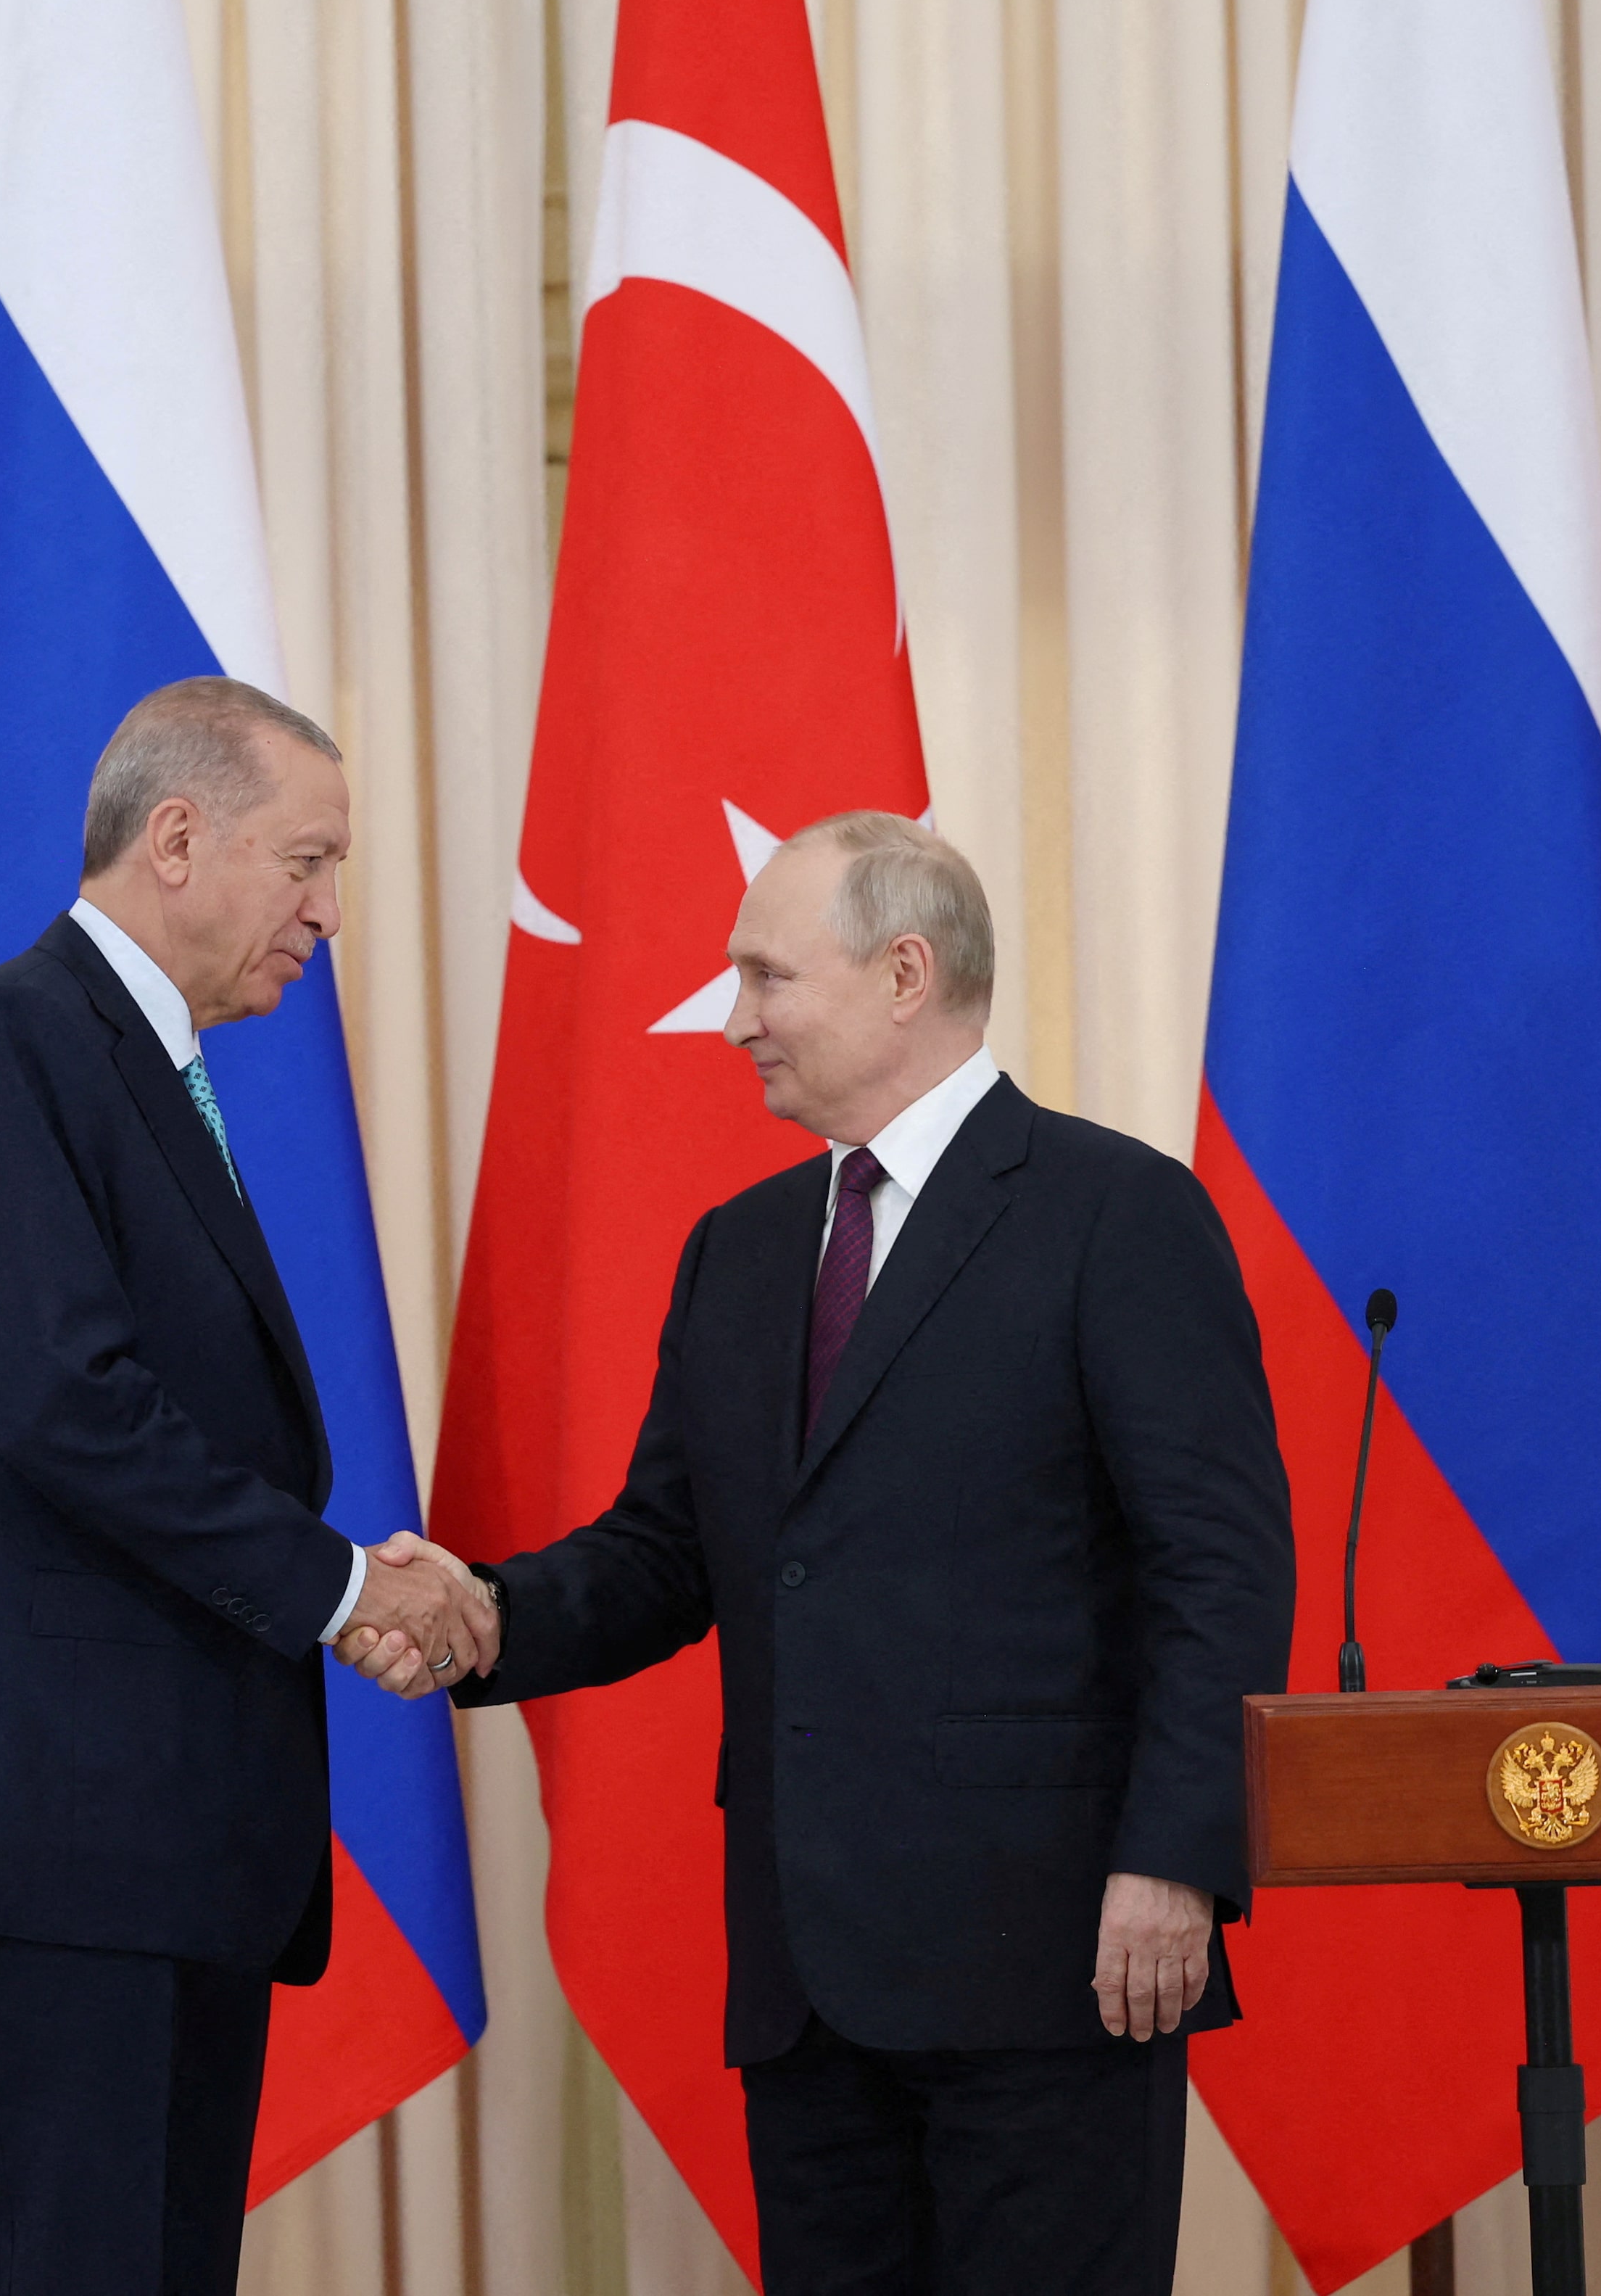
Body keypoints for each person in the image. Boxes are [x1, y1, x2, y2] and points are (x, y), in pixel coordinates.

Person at [355, 811, 1294, 2296]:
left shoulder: (1116, 1214)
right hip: (806, 1986)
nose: (735, 1020)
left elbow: (1219, 1568)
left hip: (1051, 1965)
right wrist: (482, 1613)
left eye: (767, 977)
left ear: (905, 973)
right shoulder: (740, 1246)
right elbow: (666, 1553)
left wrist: (1176, 1860)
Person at [0, 675, 497, 2296]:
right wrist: (348, 1586)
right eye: (307, 862)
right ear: (178, 837)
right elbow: (70, 1403)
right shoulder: (18, 1038)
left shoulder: (140, 1058)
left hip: (154, 1844)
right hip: (51, 1852)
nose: (329, 913)